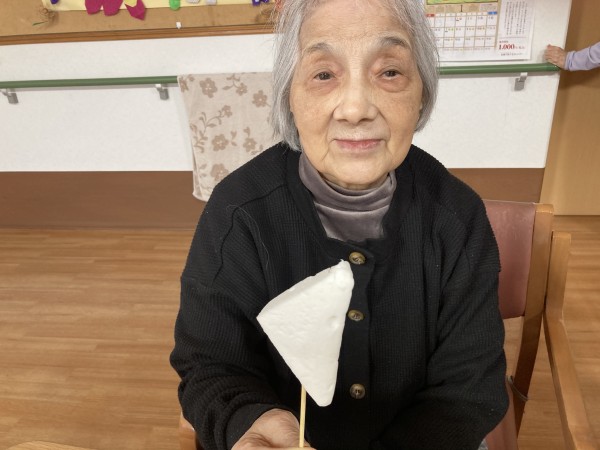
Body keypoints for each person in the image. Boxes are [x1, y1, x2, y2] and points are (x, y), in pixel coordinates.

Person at [170, 0, 508, 449]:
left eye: (390, 71)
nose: (355, 108)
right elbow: (210, 365)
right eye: (324, 74)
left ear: (421, 93)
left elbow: (470, 388)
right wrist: (249, 420)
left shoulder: (457, 217)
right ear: (290, 97)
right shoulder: (239, 213)